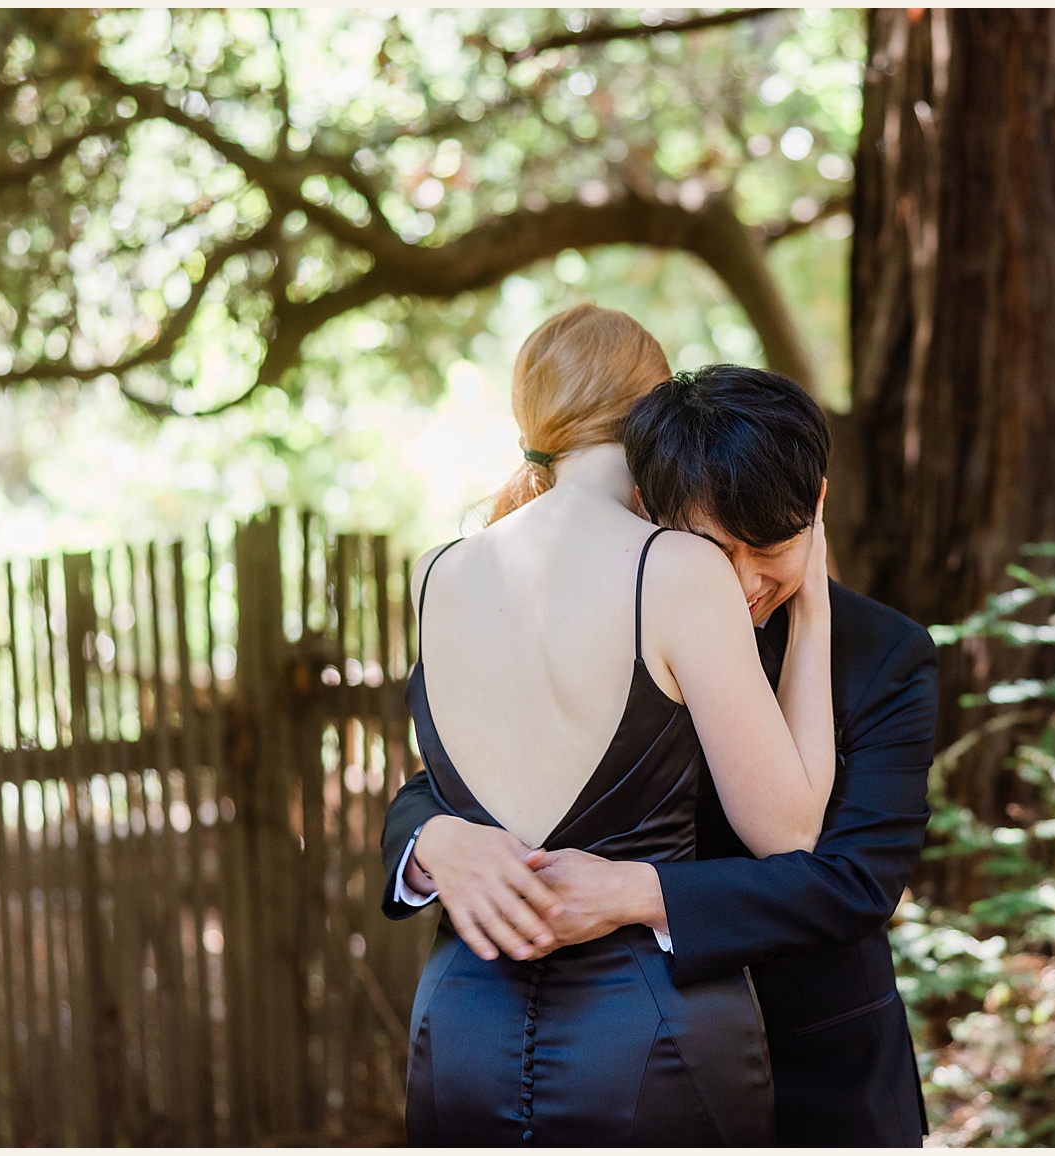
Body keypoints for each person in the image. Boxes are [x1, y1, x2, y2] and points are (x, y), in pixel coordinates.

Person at [383, 362, 940, 1146]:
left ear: (815, 501)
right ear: (656, 512)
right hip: (637, 1076)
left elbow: (857, 881)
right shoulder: (631, 601)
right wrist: (432, 839)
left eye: (769, 549)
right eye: (715, 550)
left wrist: (639, 894)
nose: (745, 583)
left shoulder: (886, 654)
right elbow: (455, 771)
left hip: (822, 1074)